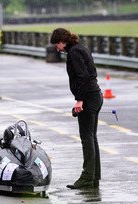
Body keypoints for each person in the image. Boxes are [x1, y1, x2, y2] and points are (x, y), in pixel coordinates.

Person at [50, 28, 103, 189]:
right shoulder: (80, 48)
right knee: (91, 138)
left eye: (56, 44)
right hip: (95, 95)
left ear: (62, 41)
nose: (56, 48)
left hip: (88, 97)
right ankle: (93, 177)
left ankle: (87, 177)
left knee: (87, 139)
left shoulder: (74, 52)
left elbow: (83, 77)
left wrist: (79, 100)